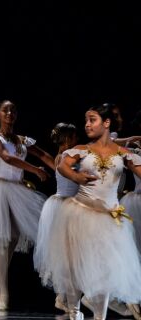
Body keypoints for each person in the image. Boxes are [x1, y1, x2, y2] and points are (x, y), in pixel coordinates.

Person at [39, 104, 141, 320]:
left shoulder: (123, 154)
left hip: (108, 218)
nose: (87, 124)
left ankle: (99, 317)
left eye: (92, 119)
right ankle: (74, 311)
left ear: (107, 123)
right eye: (86, 120)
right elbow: (62, 165)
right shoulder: (82, 150)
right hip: (80, 214)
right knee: (74, 265)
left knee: (105, 270)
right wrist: (75, 177)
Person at [0, 100, 54, 310]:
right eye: (5, 110)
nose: (9, 113)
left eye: (13, 110)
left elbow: (44, 155)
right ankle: (3, 294)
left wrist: (61, 168)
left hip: (17, 189)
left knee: (13, 239)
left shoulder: (22, 139)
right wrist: (35, 170)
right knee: (1, 240)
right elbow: (7, 157)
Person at [33, 122, 79, 314]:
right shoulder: (66, 157)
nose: (77, 141)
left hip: (69, 205)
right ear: (68, 139)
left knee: (69, 255)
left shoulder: (63, 156)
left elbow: (44, 156)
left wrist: (33, 149)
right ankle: (64, 298)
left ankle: (62, 296)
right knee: (68, 254)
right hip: (65, 205)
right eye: (75, 137)